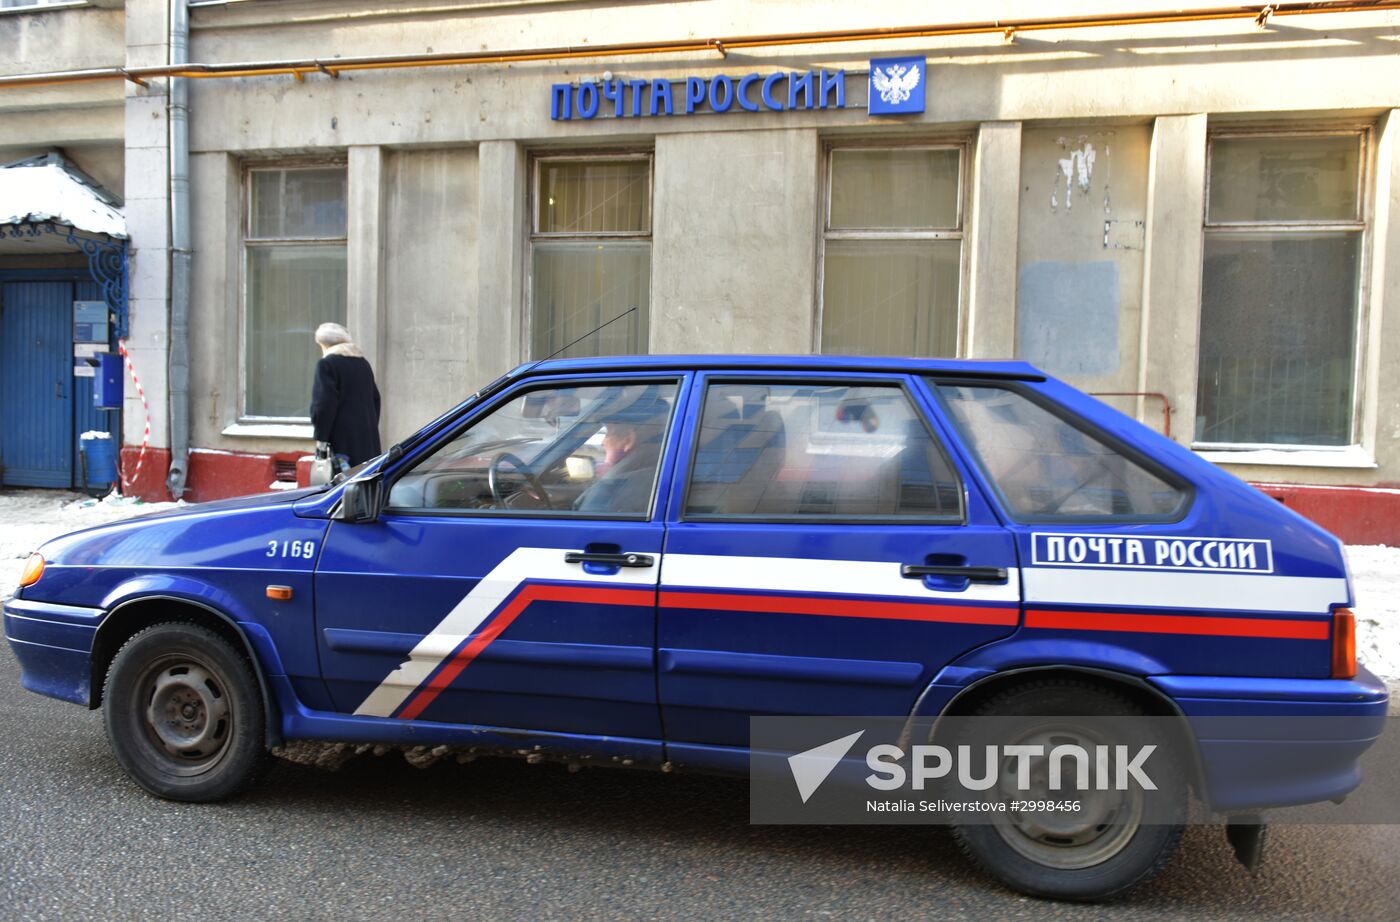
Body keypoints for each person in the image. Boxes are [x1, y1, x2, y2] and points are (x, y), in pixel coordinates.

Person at [310, 322, 382, 466]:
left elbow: (324, 405)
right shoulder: (363, 363)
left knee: (344, 480)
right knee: (367, 478)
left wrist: (321, 439)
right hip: (368, 441)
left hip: (342, 444)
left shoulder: (327, 364)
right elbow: (376, 399)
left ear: (324, 344)